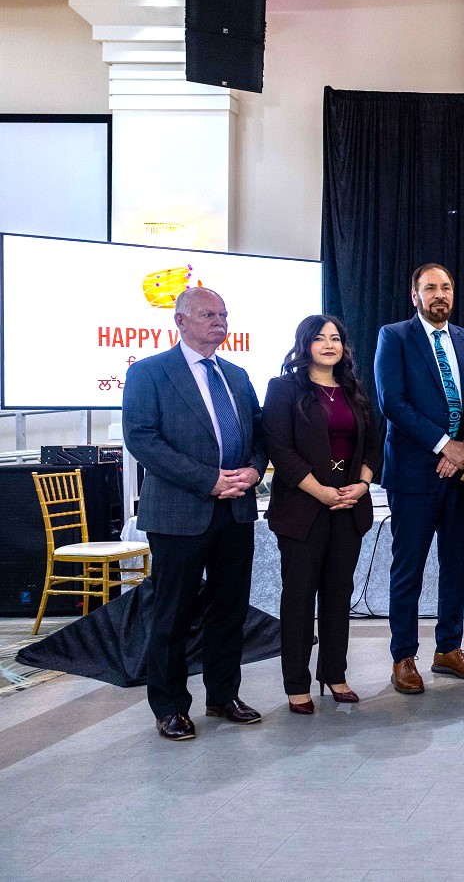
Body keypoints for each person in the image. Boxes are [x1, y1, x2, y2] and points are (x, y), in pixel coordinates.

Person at [122, 287, 267, 741]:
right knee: (174, 614)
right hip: (180, 512)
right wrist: (208, 480)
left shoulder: (237, 375)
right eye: (208, 315)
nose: (219, 323)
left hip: (236, 509)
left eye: (223, 315)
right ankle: (169, 707)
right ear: (180, 321)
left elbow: (259, 433)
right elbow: (142, 438)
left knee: (230, 609)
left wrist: (253, 470)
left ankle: (223, 695)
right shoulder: (149, 372)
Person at [374, 263, 464, 694]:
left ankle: (448, 649)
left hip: (461, 472)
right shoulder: (394, 336)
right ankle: (403, 656)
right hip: (414, 473)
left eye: (446, 287)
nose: (440, 294)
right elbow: (392, 402)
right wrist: (444, 445)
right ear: (415, 295)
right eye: (430, 288)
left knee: (456, 564)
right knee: (409, 568)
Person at [264, 315, 383, 714]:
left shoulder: (354, 389)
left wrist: (362, 485)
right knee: (299, 597)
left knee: (338, 594)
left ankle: (334, 673)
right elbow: (279, 449)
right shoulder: (283, 389)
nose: (329, 345)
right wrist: (322, 492)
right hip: (302, 509)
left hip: (349, 507)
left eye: (335, 338)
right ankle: (296, 683)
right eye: (319, 338)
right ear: (305, 345)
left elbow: (373, 445)